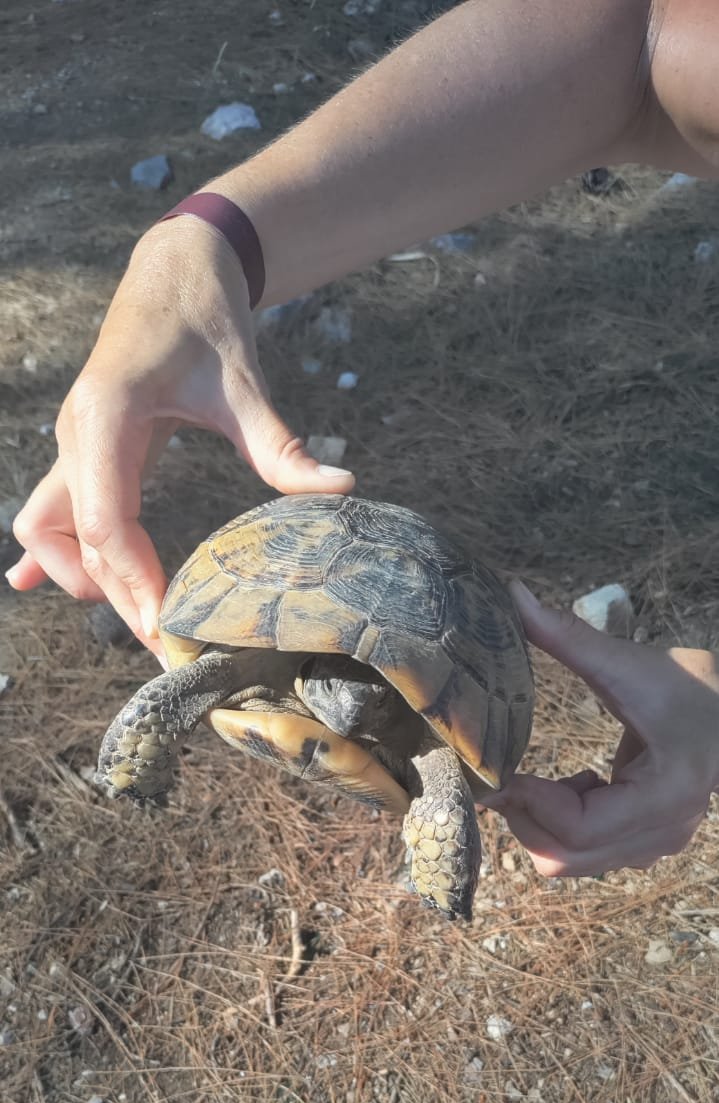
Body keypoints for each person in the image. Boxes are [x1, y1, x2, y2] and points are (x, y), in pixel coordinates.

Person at [7, 0, 719, 877]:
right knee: (179, 689)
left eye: (353, 692)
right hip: (301, 597)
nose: (342, 708)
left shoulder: (414, 738)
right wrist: (208, 243)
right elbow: (641, 38)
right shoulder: (242, 665)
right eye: (334, 687)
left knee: (440, 791)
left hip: (410, 677)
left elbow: (443, 771)